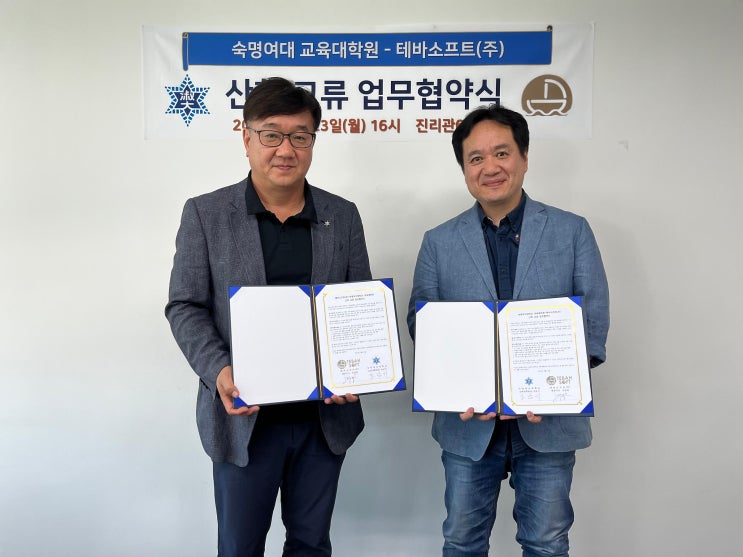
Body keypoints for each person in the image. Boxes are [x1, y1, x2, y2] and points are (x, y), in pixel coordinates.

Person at [165, 77, 371, 557]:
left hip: (322, 419)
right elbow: (185, 305)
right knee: (240, 547)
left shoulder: (342, 216)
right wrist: (219, 370)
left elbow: (358, 305)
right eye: (272, 134)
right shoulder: (206, 214)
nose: (286, 149)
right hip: (244, 419)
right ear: (247, 138)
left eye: (300, 136)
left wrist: (357, 368)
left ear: (313, 142)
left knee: (311, 545)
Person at [407, 105, 609, 557]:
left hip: (548, 422)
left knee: (546, 543)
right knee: (462, 542)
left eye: (501, 153)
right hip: (467, 424)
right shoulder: (438, 241)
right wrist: (455, 380)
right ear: (464, 169)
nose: (490, 167)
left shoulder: (572, 231)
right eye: (476, 158)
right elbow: (422, 321)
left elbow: (592, 320)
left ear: (524, 157)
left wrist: (553, 386)